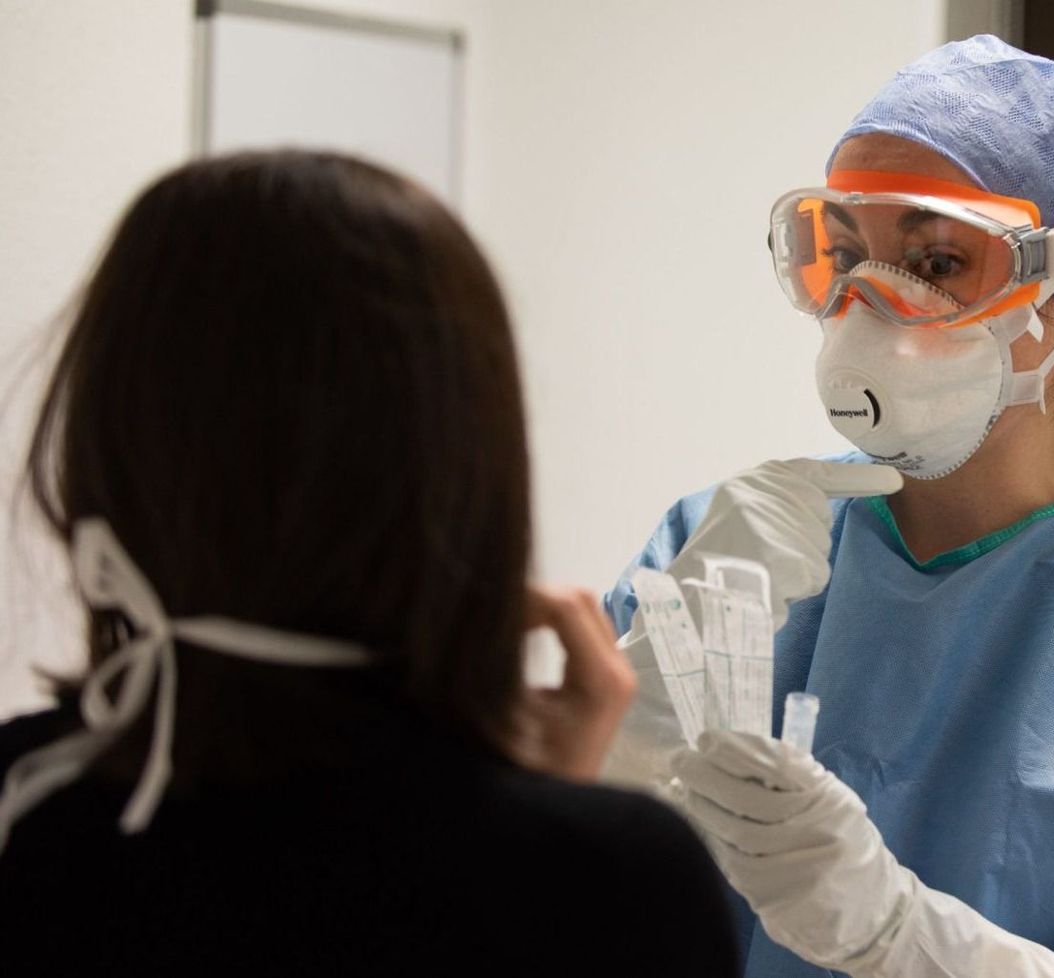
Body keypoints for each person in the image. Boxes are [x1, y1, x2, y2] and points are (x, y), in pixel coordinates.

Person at [604, 35, 1054, 978]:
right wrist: (603, 759)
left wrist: (897, 936)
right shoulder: (719, 551)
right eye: (842, 256)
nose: (865, 306)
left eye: (934, 263)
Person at [0, 150, 741, 977]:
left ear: (108, 440)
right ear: (466, 468)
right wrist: (549, 831)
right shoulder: (614, 881)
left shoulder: (27, 805)